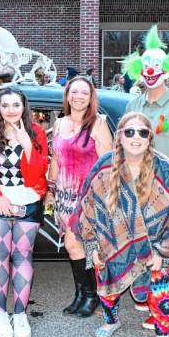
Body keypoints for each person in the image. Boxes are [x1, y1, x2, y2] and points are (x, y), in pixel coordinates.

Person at [72, 112, 169, 337]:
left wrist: (164, 250)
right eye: (129, 132)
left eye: (142, 132)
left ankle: (163, 331)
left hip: (154, 244)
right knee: (107, 284)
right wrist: (92, 247)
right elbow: (87, 205)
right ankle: (111, 321)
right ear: (119, 137)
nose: (136, 137)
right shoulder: (105, 165)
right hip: (111, 240)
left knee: (158, 287)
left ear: (150, 138)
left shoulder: (163, 167)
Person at [123, 24, 169, 328]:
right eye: (145, 66)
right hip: (139, 189)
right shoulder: (134, 103)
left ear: (166, 69)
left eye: (156, 66)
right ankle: (146, 295)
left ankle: (164, 310)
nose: (150, 71)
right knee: (142, 246)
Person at [0, 88, 49, 337]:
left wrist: (26, 140)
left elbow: (39, 171)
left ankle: (20, 314)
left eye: (16, 104)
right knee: (0, 253)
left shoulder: (36, 131)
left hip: (29, 197)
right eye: (5, 105)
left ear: (24, 106)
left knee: (23, 254)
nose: (10, 109)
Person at [45, 76, 112, 317]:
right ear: (68, 95)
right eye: (75, 92)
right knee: (72, 246)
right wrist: (50, 192)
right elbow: (56, 160)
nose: (79, 96)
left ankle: (92, 297)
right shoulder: (59, 123)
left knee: (87, 246)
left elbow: (108, 164)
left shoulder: (98, 123)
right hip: (64, 195)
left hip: (89, 196)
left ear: (91, 97)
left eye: (85, 93)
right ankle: (81, 294)